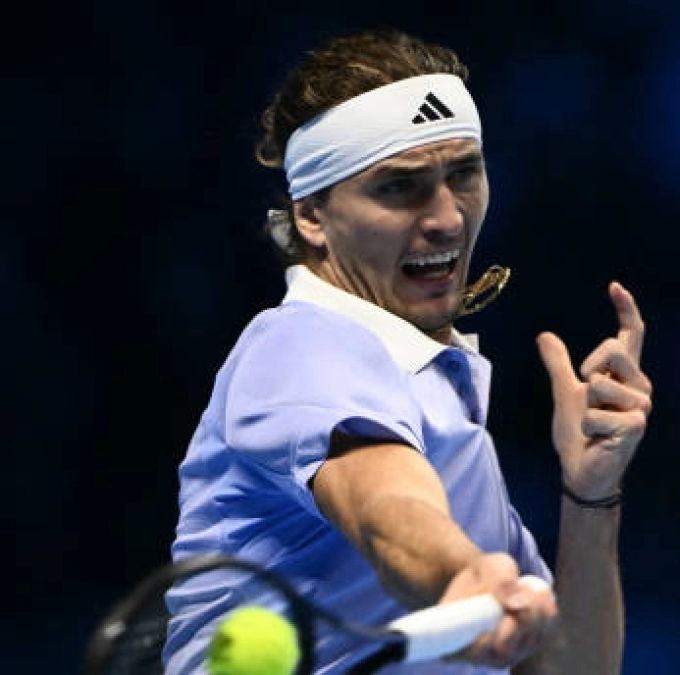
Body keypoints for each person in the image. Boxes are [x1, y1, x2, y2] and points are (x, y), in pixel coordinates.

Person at [163, 27, 652, 674]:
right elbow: (384, 502)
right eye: (401, 187)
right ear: (311, 216)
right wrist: (464, 572)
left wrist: (590, 494)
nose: (447, 216)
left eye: (464, 173)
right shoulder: (299, 348)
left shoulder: (442, 398)